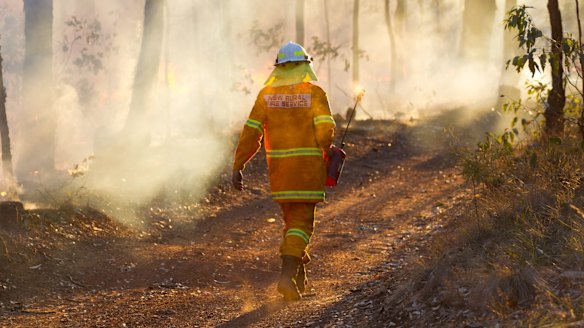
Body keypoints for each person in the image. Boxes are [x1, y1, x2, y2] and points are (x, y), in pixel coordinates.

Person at [232, 41, 336, 301]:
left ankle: (298, 273)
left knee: (293, 224)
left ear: (278, 68)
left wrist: (238, 165)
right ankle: (287, 275)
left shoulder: (266, 95)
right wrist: (330, 149)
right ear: (304, 67)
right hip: (307, 171)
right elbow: (325, 129)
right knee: (302, 225)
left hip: (280, 174)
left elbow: (251, 132)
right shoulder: (314, 94)